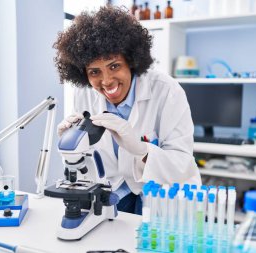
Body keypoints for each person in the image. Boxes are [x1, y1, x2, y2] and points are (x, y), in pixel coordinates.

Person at [54, 6, 201, 215]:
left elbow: (182, 165)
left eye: (114, 66)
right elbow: (85, 167)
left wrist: (141, 151)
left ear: (131, 61)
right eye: (94, 72)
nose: (106, 81)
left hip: (157, 197)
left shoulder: (167, 91)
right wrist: (72, 146)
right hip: (112, 193)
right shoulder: (84, 93)